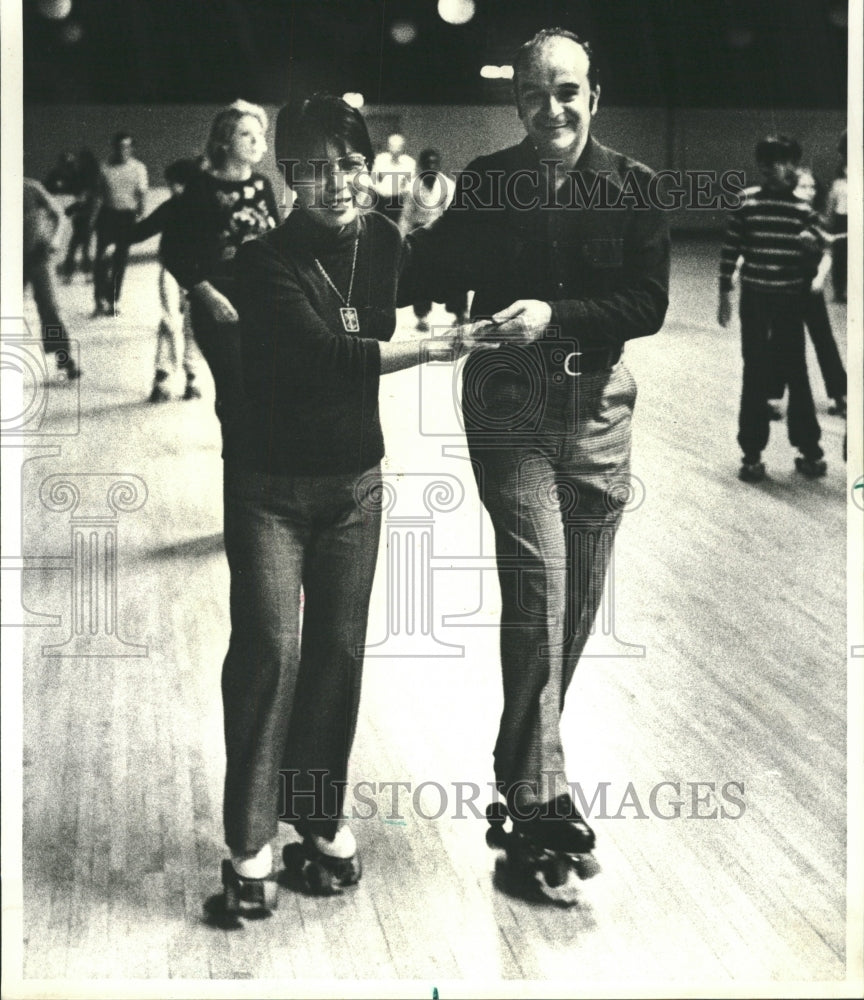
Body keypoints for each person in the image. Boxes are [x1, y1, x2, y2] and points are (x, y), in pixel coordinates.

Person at [212, 93, 489, 915]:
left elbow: (456, 263)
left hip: (354, 485)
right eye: (314, 167)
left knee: (336, 653)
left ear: (369, 170)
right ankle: (248, 843)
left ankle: (316, 817)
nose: (335, 182)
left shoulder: (387, 242)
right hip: (267, 487)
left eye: (350, 164)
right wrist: (431, 347)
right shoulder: (262, 259)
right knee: (270, 651)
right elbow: (326, 354)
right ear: (287, 174)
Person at [399, 29, 670, 866]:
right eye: (532, 92)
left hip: (596, 414)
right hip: (508, 408)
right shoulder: (488, 183)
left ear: (593, 96)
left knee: (576, 608)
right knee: (540, 591)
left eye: (566, 91)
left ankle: (517, 772)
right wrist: (338, 262)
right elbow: (427, 273)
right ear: (514, 100)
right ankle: (544, 798)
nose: (550, 107)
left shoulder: (635, 186)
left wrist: (562, 316)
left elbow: (647, 304)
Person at [161, 100, 280, 435]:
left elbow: (278, 242)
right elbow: (173, 251)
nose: (257, 141)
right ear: (224, 141)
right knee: (234, 391)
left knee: (263, 388)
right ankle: (241, 468)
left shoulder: (262, 185)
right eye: (246, 133)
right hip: (219, 304)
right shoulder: (201, 189)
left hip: (262, 300)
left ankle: (261, 465)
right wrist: (209, 298)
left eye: (260, 134)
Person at [719, 135, 826, 482]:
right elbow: (730, 249)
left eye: (777, 160)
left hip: (788, 303)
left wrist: (813, 248)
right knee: (755, 372)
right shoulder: (745, 203)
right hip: (755, 301)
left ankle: (809, 449)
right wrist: (724, 294)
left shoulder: (802, 210)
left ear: (792, 165)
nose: (769, 167)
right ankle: (751, 453)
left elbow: (817, 259)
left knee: (796, 372)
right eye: (764, 159)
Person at [766, 166, 847, 419]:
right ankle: (772, 397)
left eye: (812, 187)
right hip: (784, 290)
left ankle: (840, 395)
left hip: (810, 290)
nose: (809, 191)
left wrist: (819, 279)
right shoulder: (782, 219)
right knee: (780, 341)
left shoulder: (817, 219)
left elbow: (827, 254)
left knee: (823, 340)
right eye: (803, 186)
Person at [128, 158, 203, 403]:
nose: (173, 189)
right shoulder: (170, 207)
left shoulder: (207, 208)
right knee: (169, 321)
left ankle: (192, 378)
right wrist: (122, 230)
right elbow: (143, 231)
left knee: (194, 326)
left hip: (199, 274)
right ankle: (163, 377)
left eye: (177, 184)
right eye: (171, 184)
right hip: (171, 270)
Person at [399, 148, 468, 331]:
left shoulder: (448, 185)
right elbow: (406, 216)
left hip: (443, 233)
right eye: (427, 163)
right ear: (421, 165)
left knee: (454, 273)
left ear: (439, 165)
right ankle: (422, 316)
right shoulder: (413, 186)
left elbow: (453, 216)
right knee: (420, 275)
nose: (431, 166)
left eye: (434, 163)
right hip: (419, 233)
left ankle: (460, 313)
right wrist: (402, 239)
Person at [23, 177, 82, 380]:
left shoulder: (31, 188)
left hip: (39, 256)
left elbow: (59, 214)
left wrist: (55, 240)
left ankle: (64, 358)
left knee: (50, 308)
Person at [91, 132, 149, 316]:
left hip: (127, 218)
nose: (122, 150)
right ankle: (99, 299)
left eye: (126, 146)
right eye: (119, 146)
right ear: (114, 148)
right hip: (107, 216)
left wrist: (141, 215)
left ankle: (113, 301)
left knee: (120, 261)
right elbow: (98, 196)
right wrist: (92, 219)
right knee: (101, 260)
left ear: (131, 148)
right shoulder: (104, 168)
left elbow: (142, 195)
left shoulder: (138, 168)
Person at [61, 148, 100, 282]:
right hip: (84, 217)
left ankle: (72, 273)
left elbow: (83, 199)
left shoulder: (87, 179)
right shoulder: (89, 178)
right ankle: (84, 273)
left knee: (77, 246)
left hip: (85, 217)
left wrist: (69, 210)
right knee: (83, 246)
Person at [371, 132, 415, 225]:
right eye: (392, 146)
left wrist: (402, 193)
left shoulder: (409, 162)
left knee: (395, 226)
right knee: (380, 225)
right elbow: (373, 180)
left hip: (398, 200)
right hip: (381, 199)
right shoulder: (380, 159)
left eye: (398, 147)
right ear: (388, 146)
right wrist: (381, 192)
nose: (395, 149)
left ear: (403, 147)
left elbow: (409, 184)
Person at [825, 131, 847, 304]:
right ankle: (840, 289)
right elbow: (831, 202)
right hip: (843, 218)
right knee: (840, 256)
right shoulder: (839, 180)